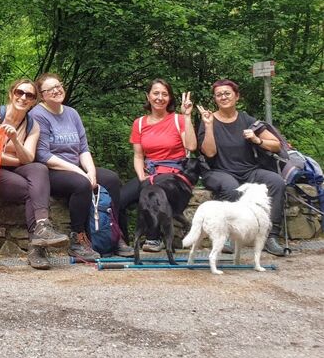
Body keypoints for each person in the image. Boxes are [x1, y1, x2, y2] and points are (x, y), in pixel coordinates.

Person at [29, 72, 134, 261]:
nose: (56, 90)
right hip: (53, 170)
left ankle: (115, 235)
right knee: (81, 184)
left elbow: (83, 148)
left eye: (58, 86)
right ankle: (78, 239)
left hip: (77, 166)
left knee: (111, 179)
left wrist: (91, 171)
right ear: (42, 95)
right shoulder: (38, 114)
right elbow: (43, 154)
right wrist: (81, 172)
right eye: (50, 89)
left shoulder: (71, 113)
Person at [0, 78, 69, 269]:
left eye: (29, 95)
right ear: (11, 93)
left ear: (33, 101)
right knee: (33, 190)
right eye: (19, 92)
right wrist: (17, 159)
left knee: (39, 168)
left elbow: (29, 159)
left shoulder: (32, 124)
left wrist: (15, 140)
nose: (23, 98)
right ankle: (36, 248)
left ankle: (42, 226)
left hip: (13, 169)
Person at [196, 79, 287, 256]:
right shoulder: (209, 120)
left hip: (249, 171)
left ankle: (270, 236)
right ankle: (229, 235)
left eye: (227, 93)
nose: (223, 97)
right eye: (219, 94)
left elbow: (276, 145)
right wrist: (208, 126)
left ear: (237, 96)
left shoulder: (248, 120)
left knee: (276, 182)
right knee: (231, 187)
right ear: (215, 99)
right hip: (219, 171)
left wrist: (257, 139)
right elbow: (209, 153)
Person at [120, 79, 197, 251]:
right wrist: (141, 176)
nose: (160, 98)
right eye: (156, 93)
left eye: (164, 94)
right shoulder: (139, 123)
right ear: (148, 96)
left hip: (175, 175)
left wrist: (187, 116)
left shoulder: (178, 120)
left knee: (150, 189)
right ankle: (122, 242)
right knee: (119, 199)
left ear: (169, 98)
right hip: (149, 172)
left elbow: (191, 146)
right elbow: (138, 156)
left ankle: (154, 239)